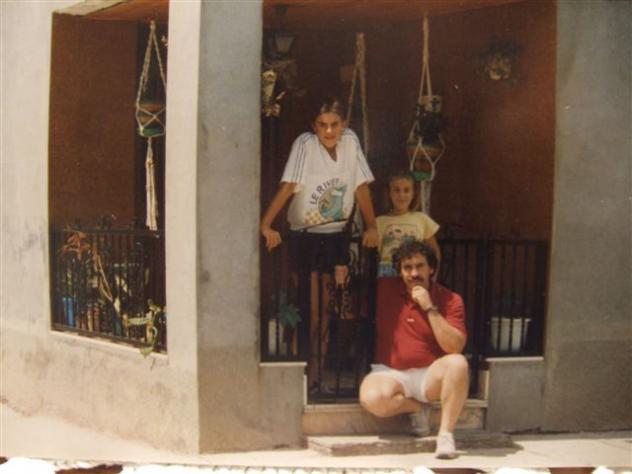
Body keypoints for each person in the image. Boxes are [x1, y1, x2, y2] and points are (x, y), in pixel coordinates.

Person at [260, 97, 378, 389]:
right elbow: (289, 185)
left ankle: (316, 377)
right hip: (306, 236)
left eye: (334, 124)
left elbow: (361, 186)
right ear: (314, 126)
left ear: (343, 124)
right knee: (310, 311)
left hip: (336, 237)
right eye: (322, 125)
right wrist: (266, 223)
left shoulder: (351, 142)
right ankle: (298, 378)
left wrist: (372, 225)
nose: (328, 131)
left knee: (326, 312)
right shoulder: (305, 144)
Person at [359, 239, 468, 459]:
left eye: (420, 266)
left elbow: (455, 346)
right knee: (372, 398)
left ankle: (445, 436)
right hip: (390, 372)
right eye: (407, 267)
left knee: (458, 363)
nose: (414, 273)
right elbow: (348, 302)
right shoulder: (384, 289)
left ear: (432, 269)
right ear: (400, 271)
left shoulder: (450, 299)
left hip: (429, 375)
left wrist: (428, 306)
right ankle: (417, 408)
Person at [376, 171, 441, 278]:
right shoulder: (379, 221)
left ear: (413, 193)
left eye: (406, 190)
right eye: (397, 190)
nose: (401, 195)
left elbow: (434, 251)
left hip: (414, 270)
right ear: (389, 193)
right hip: (387, 273)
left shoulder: (422, 219)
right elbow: (374, 255)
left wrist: (433, 277)